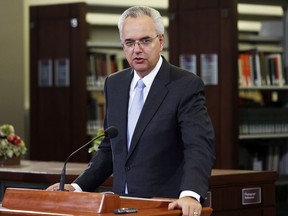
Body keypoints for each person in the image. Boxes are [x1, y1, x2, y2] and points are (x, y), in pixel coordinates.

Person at [47, 6, 215, 216]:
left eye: (145, 41)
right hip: (121, 206)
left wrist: (190, 194)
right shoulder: (114, 84)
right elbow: (110, 148)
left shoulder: (185, 85)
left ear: (161, 41)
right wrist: (78, 187)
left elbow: (198, 146)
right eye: (129, 43)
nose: (137, 49)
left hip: (165, 206)